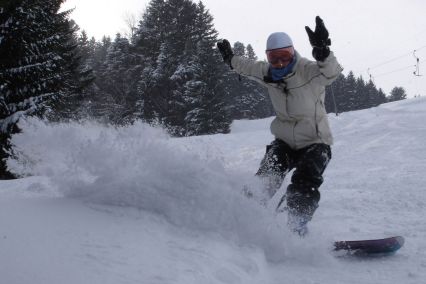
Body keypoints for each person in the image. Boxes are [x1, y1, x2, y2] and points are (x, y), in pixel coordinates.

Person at [217, 16, 343, 236]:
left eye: (284, 57)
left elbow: (331, 72)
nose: (280, 64)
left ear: (292, 53)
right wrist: (230, 59)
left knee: (304, 182)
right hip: (284, 142)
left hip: (315, 142)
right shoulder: (268, 73)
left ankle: (297, 226)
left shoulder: (308, 70)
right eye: (274, 59)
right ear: (268, 58)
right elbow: (246, 66)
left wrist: (322, 51)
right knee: (266, 178)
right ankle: (244, 219)